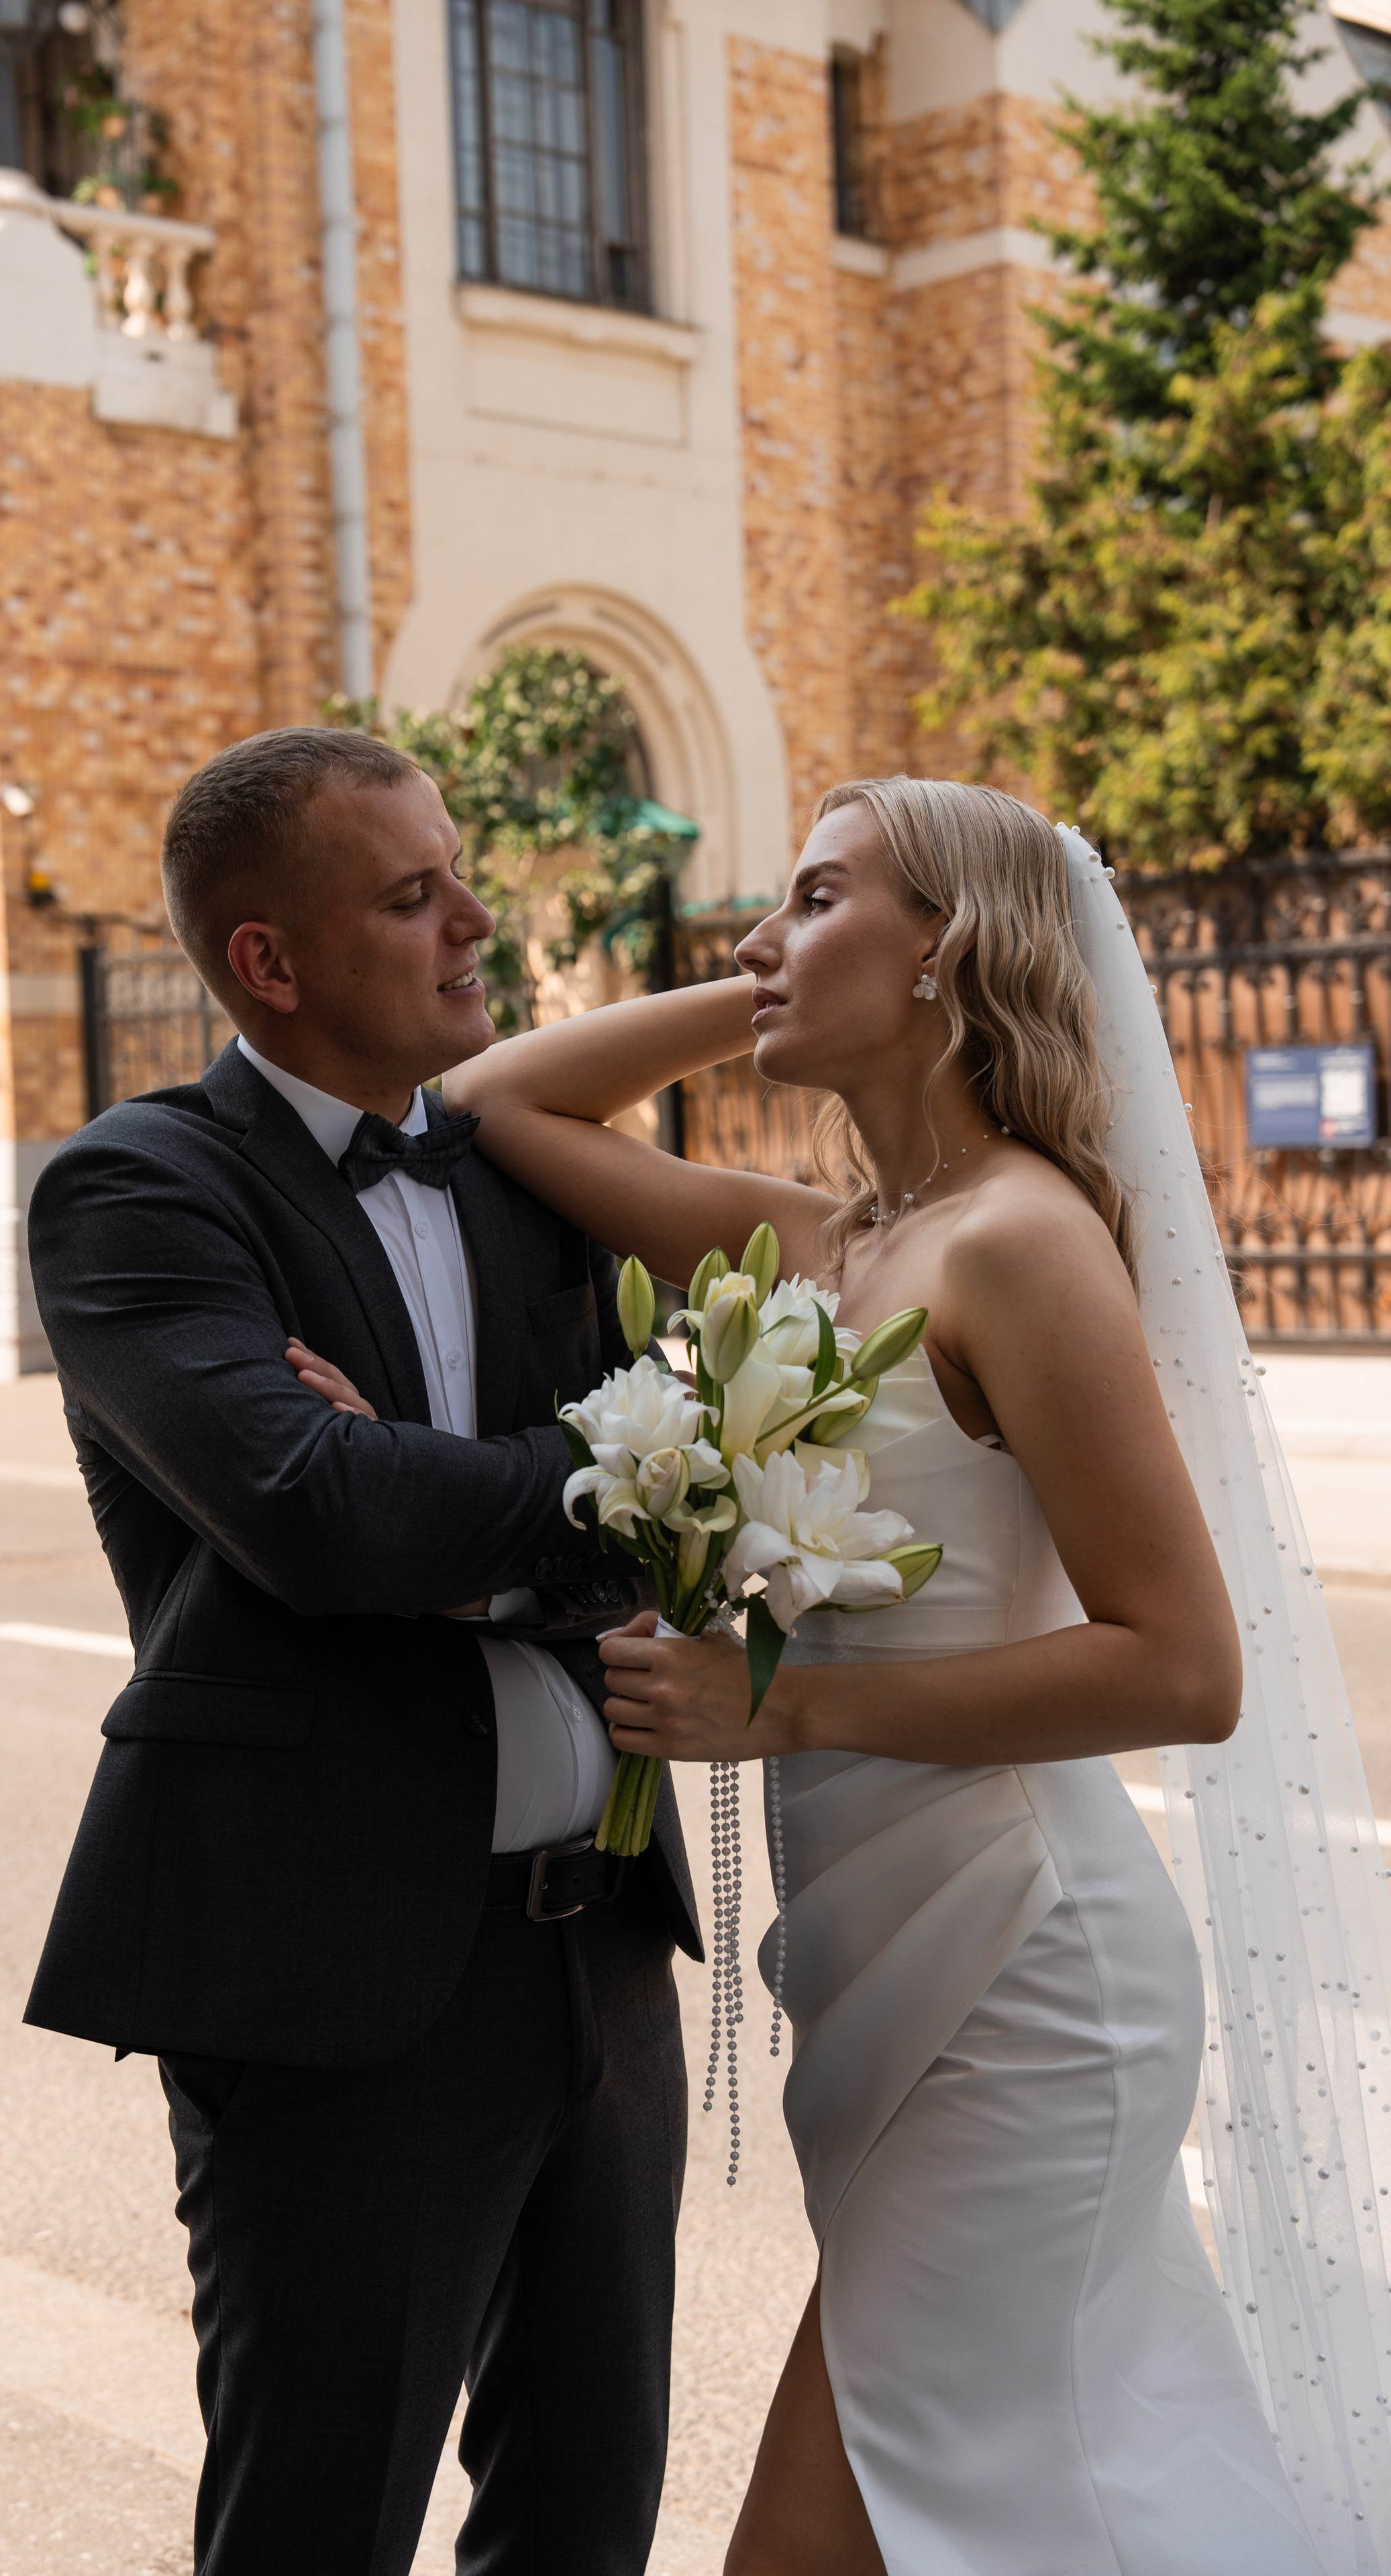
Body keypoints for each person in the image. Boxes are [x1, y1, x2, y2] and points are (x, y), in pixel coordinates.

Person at [434, 776, 1331, 2574]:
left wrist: (793, 1707)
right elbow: (491, 1100)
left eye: (821, 896)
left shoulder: (1020, 1240)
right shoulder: (821, 1252)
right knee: (1026, 2507)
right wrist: (771, 979)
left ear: (950, 949)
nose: (764, 936)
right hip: (879, 1947)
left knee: (844, 2533)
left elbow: (1183, 1667)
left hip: (1024, 1971)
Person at [21, 726, 700, 2576]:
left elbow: (689, 1490)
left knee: (585, 2518)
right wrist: (503, 1507)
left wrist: (447, 1509)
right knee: (319, 2521)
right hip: (335, 1983)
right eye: (413, 896)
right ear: (271, 961)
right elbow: (319, 1517)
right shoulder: (139, 1192)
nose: (475, 919)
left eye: (456, 872)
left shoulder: (521, 1173)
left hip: (600, 1948)